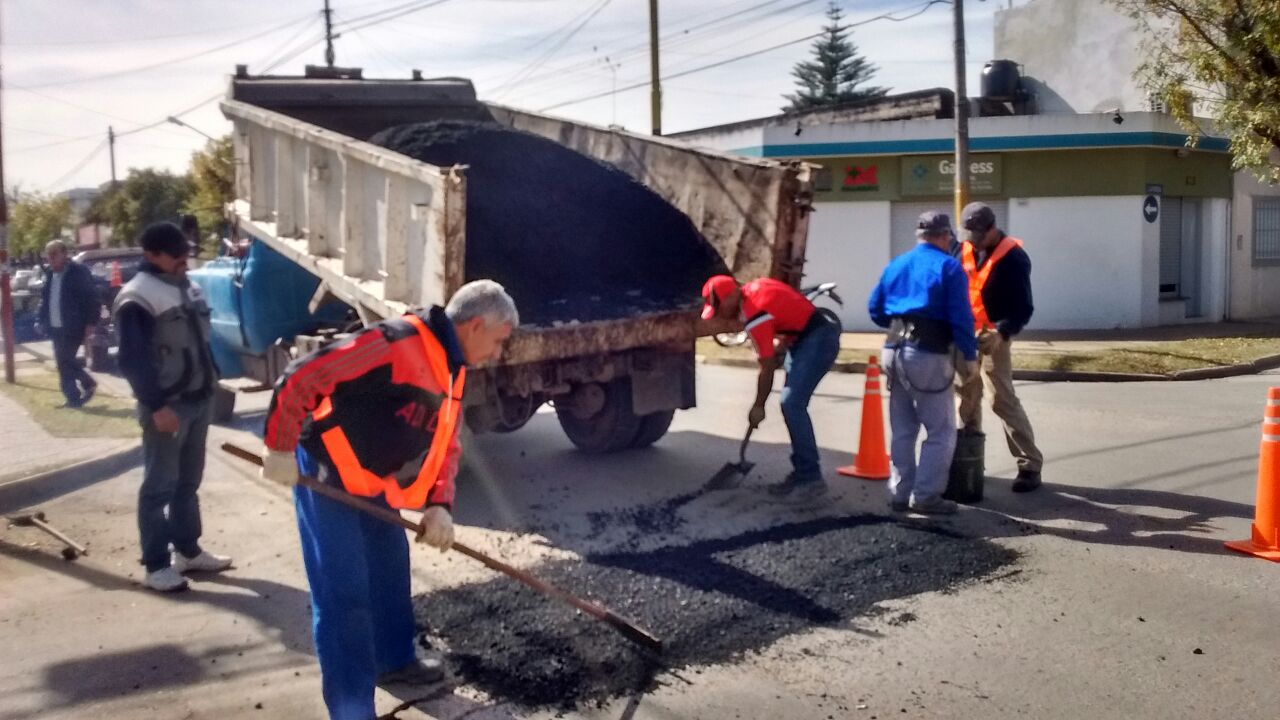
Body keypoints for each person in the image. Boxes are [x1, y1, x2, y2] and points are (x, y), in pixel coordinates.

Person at [260, 279, 518, 720]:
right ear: (475, 326)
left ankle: (394, 661)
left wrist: (440, 504)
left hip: (374, 481)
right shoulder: (392, 342)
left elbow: (446, 442)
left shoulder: (452, 366)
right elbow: (301, 375)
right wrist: (280, 447)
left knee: (388, 568)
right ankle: (352, 708)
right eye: (498, 341)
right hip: (327, 473)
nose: (497, 353)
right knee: (345, 593)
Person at [114, 222, 231, 593]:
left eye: (185, 251)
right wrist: (156, 406)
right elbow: (132, 360)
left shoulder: (188, 286)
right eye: (175, 253)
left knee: (188, 483)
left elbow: (200, 342)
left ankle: (188, 551)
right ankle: (156, 565)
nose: (184, 258)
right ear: (152, 255)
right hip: (168, 406)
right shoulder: (138, 296)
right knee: (158, 487)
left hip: (199, 399)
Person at [869, 211, 978, 515]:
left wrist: (899, 323)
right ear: (944, 236)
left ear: (919, 236)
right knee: (941, 431)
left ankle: (899, 492)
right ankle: (927, 496)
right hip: (927, 351)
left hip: (893, 349)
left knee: (903, 427)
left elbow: (875, 308)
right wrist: (969, 356)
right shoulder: (949, 267)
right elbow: (961, 317)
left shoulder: (897, 264)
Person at [700, 274, 842, 498]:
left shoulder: (755, 314)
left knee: (792, 404)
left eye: (719, 308)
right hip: (802, 338)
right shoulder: (755, 286)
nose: (720, 314)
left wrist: (758, 406)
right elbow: (787, 310)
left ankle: (811, 479)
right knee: (791, 405)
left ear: (731, 297)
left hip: (818, 339)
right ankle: (802, 473)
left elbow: (766, 368)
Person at [955, 202, 1044, 492]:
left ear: (992, 229)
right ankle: (970, 458)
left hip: (995, 334)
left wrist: (1002, 332)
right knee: (966, 395)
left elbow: (1023, 308)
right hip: (965, 333)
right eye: (969, 235)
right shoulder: (961, 249)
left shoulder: (1013, 258)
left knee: (1001, 398)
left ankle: (1029, 465)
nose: (974, 241)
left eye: (979, 235)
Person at [39, 240, 100, 408]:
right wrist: (40, 319)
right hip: (55, 325)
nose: (51, 259)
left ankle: (86, 384)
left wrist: (91, 322)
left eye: (54, 254)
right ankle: (73, 398)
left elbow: (92, 298)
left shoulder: (78, 272)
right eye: (48, 255)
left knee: (64, 359)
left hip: (73, 325)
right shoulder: (50, 274)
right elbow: (45, 300)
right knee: (63, 362)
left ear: (64, 254)